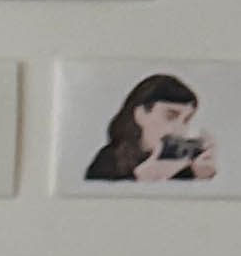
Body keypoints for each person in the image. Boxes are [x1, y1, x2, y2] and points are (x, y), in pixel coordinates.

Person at [79, 73, 219, 187]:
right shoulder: (108, 160)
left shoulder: (182, 166)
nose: (179, 130)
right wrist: (140, 179)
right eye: (170, 116)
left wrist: (200, 176)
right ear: (140, 114)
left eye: (186, 120)